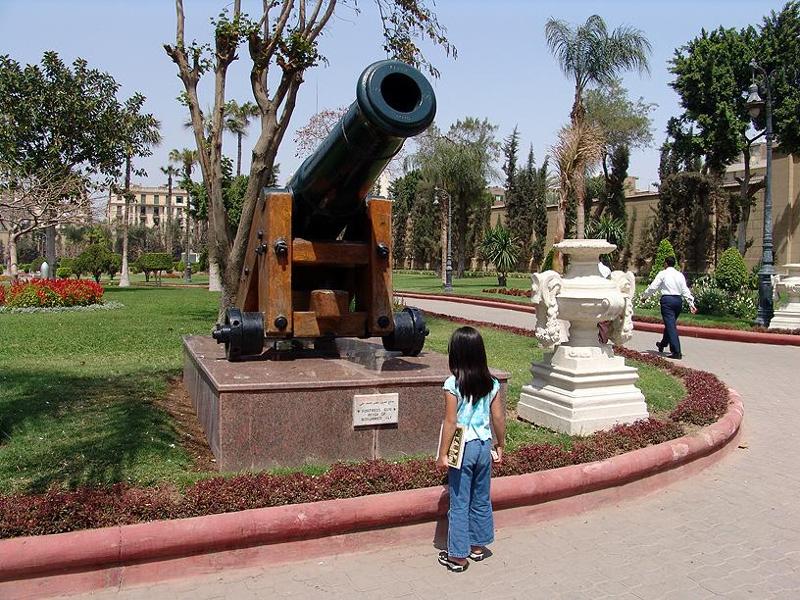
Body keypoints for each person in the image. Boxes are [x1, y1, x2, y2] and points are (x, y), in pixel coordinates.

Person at [436, 326, 506, 572]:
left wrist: (443, 454)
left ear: (455, 354)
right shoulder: (492, 384)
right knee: (481, 497)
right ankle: (478, 546)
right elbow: (498, 417)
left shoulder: (452, 384)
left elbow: (450, 421)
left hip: (461, 446)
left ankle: (457, 555)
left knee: (459, 500)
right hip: (484, 446)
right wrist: (501, 444)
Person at [640, 256, 697, 359]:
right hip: (678, 301)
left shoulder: (663, 274)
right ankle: (662, 344)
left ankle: (676, 352)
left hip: (667, 301)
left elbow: (653, 287)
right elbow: (685, 290)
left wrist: (644, 297)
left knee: (670, 325)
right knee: (670, 323)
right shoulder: (679, 275)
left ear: (666, 263)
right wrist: (691, 303)